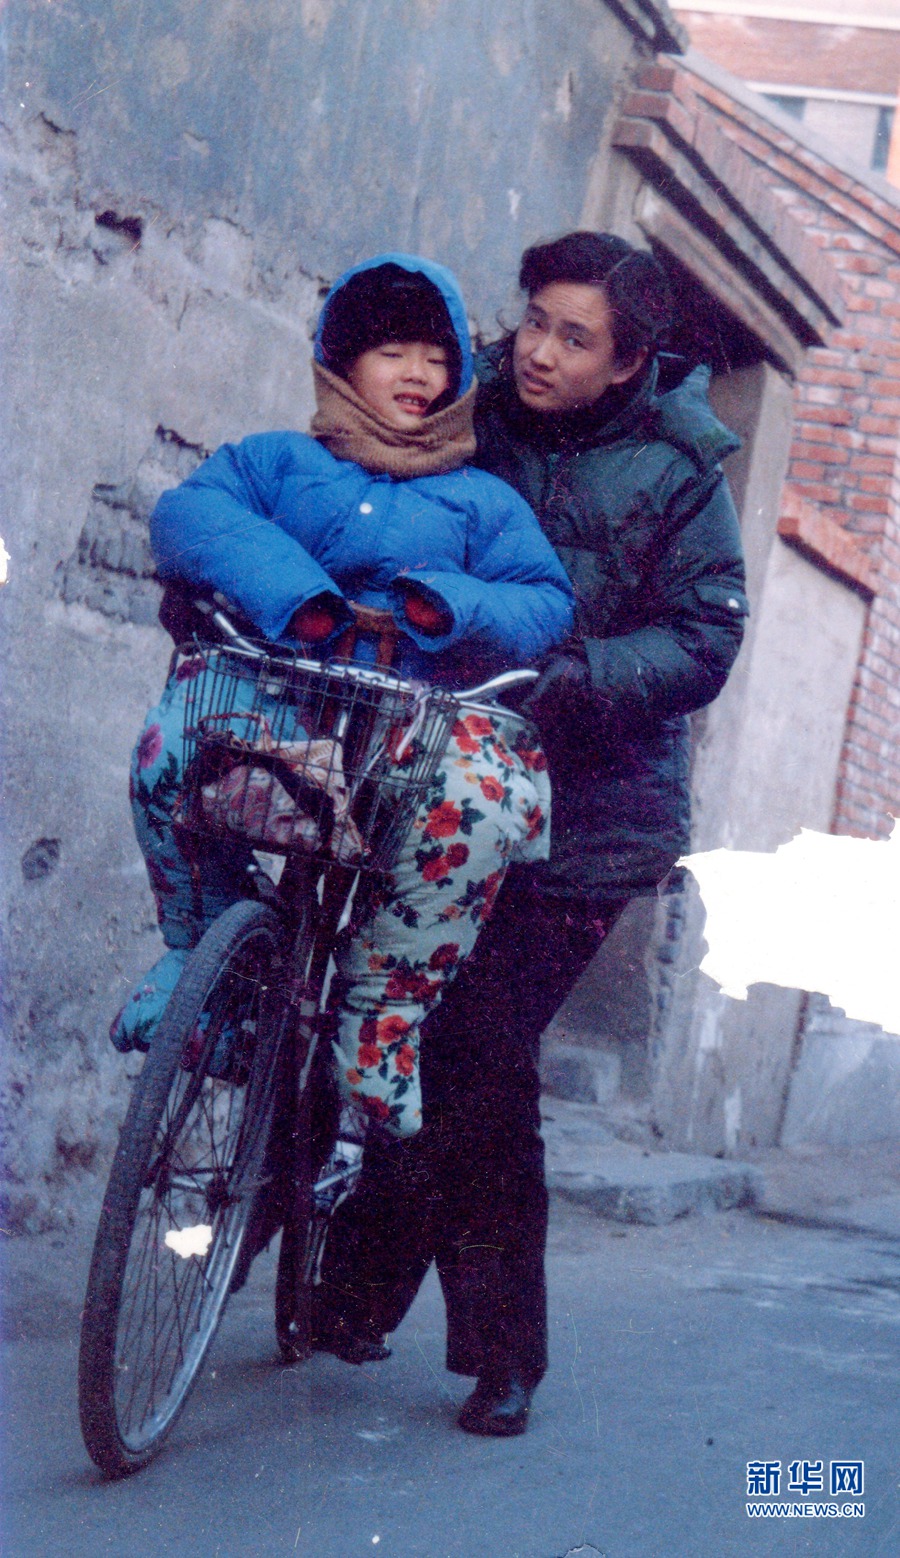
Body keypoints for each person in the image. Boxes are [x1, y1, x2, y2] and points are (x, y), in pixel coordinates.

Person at [317, 231, 748, 1435]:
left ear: (628, 364)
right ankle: (352, 1289)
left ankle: (502, 1354)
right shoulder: (473, 410)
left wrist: (582, 675)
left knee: (476, 1047)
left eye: (577, 337)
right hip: (444, 775)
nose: (542, 352)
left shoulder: (680, 472)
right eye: (536, 321)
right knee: (384, 1009)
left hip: (587, 824)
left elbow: (706, 637)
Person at [111, 252, 574, 1145]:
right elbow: (188, 516)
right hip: (279, 711)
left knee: (484, 804)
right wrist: (298, 597)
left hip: (412, 746)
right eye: (392, 352)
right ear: (341, 361)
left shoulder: (484, 503)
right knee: (172, 744)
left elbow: (545, 601)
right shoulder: (276, 462)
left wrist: (448, 607)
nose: (417, 373)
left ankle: (379, 1022)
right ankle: (205, 963)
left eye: (436, 358)